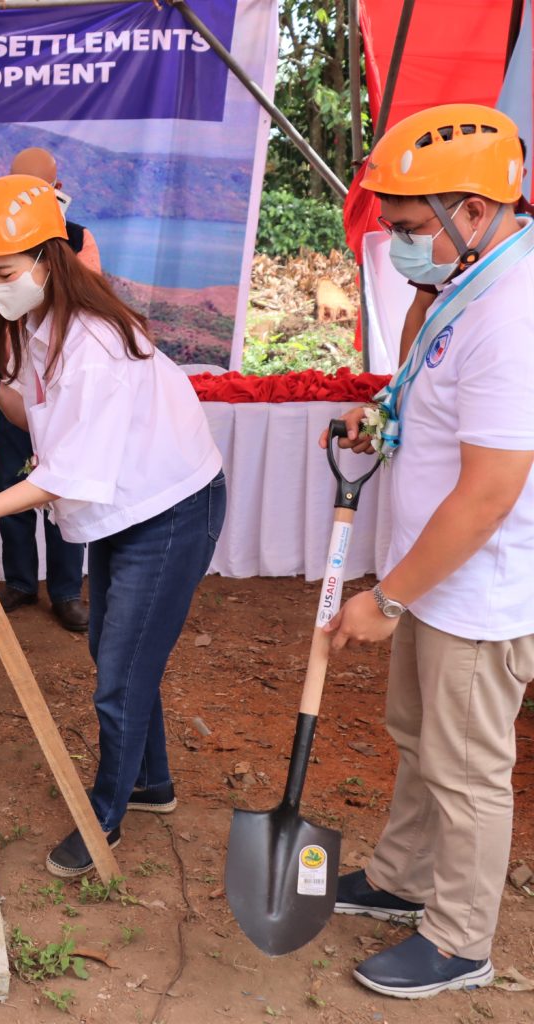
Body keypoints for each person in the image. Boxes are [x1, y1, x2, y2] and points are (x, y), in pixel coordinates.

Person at [0, 175, 225, 876]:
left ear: (46, 260)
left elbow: (65, 473)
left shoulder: (95, 343)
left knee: (119, 671)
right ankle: (152, 783)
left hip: (171, 509)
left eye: (2, 273)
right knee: (116, 653)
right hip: (129, 504)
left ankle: (106, 815)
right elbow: (43, 417)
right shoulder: (39, 325)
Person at [323, 104, 534, 1000]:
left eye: (410, 227)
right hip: (432, 582)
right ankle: (404, 879)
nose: (399, 243)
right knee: (419, 741)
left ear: (474, 211)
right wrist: (386, 417)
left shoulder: (513, 316)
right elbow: (440, 412)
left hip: (471, 592)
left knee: (468, 768)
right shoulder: (470, 281)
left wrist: (390, 598)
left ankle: (458, 940)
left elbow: (489, 493)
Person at [0, 146, 98, 630]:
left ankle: (68, 591)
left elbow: (88, 292)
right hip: (9, 383)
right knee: (13, 484)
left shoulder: (76, 237)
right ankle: (18, 582)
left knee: (63, 491)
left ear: (57, 189)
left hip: (61, 389)